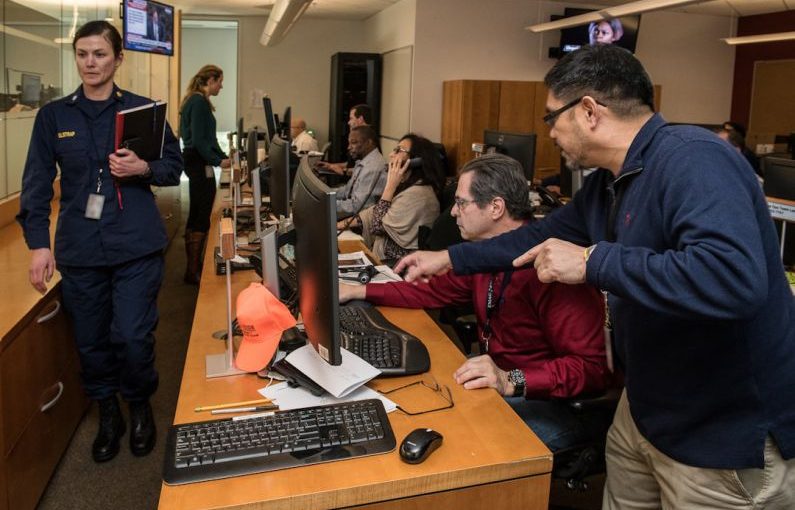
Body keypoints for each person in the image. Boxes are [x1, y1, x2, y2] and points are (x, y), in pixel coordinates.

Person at [396, 44, 795, 508]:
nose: (550, 134)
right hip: (646, 409)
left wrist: (592, 261)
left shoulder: (695, 160)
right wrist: (449, 258)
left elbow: (733, 279)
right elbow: (540, 235)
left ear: (588, 111)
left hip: (719, 433)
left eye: (551, 118)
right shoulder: (612, 179)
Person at [340, 154, 610, 450]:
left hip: (547, 400)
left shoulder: (551, 269)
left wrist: (511, 379)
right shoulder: (484, 256)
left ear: (495, 207)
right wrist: (359, 291)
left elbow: (592, 369)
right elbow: (430, 292)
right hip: (497, 380)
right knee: (410, 405)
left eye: (461, 203)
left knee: (459, 445)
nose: (453, 213)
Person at [17, 20, 182, 463]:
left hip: (136, 245)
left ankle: (140, 402)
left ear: (118, 59)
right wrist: (38, 244)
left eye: (100, 54)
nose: (91, 63)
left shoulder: (144, 111)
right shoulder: (54, 116)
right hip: (80, 248)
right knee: (91, 341)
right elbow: (35, 183)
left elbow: (174, 167)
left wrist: (142, 170)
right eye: (83, 54)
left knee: (131, 336)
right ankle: (108, 412)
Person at [339, 134, 445, 262]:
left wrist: (390, 186)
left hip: (395, 265)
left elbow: (376, 226)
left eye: (399, 150)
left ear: (415, 160)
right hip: (383, 259)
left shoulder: (418, 194)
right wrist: (339, 225)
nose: (391, 154)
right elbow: (372, 212)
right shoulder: (408, 187)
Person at [179, 64, 231, 284]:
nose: (221, 85)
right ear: (210, 80)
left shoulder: (196, 100)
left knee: (198, 211)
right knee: (201, 212)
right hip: (198, 162)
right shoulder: (199, 102)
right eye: (219, 81)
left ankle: (194, 266)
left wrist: (223, 155)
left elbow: (208, 140)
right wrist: (218, 160)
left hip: (197, 160)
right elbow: (201, 142)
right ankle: (192, 271)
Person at [335, 125, 386, 219]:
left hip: (359, 221)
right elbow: (348, 190)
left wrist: (327, 203)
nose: (349, 147)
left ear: (369, 143)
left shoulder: (373, 168)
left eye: (353, 143)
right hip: (352, 214)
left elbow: (356, 207)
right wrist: (327, 194)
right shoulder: (364, 161)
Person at [317, 104, 372, 175]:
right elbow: (351, 164)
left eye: (351, 118)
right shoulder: (363, 136)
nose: (349, 122)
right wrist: (330, 166)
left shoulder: (368, 140)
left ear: (360, 119)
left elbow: (365, 171)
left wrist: (344, 171)